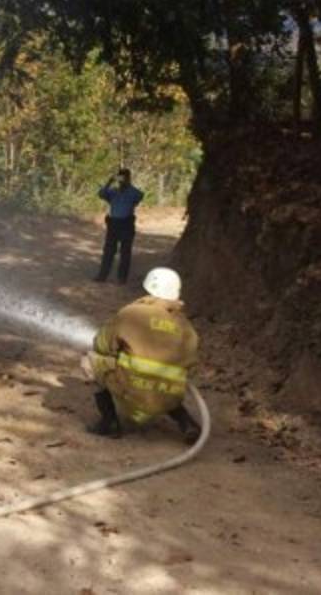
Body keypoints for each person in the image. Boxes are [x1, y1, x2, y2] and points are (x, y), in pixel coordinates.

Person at [80, 267, 201, 442]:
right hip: (167, 395)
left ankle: (109, 423)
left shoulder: (131, 313)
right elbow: (190, 362)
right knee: (165, 382)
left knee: (90, 360)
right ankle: (187, 423)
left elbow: (101, 345)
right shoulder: (186, 326)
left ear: (149, 288)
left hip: (132, 390)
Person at [94, 168, 144, 284]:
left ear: (129, 178)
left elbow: (140, 196)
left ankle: (122, 278)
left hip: (126, 223)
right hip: (113, 223)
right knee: (108, 250)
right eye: (120, 177)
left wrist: (128, 185)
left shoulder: (133, 192)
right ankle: (102, 275)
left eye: (124, 177)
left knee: (125, 251)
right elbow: (101, 194)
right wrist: (109, 182)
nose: (122, 180)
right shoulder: (113, 192)